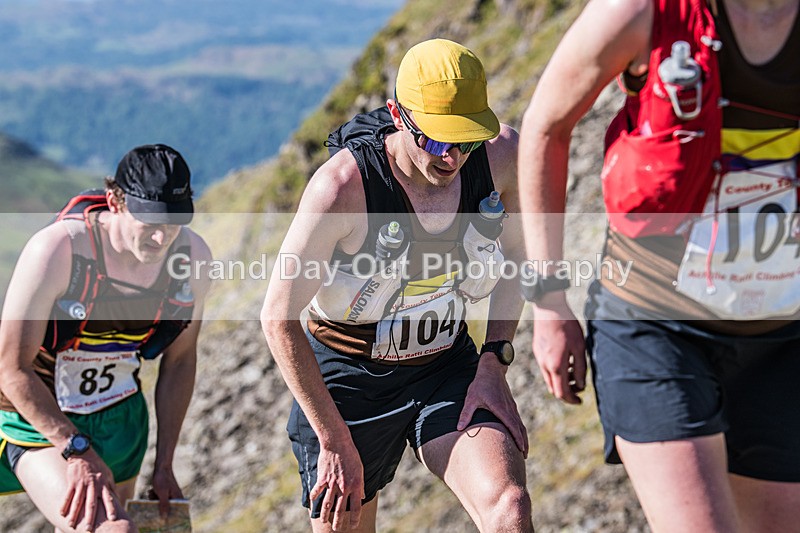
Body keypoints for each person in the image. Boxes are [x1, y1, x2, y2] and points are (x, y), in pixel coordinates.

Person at [518, 0, 799, 531]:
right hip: (653, 323)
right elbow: (545, 127)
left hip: (782, 337)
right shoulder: (644, 11)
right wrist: (550, 301)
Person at [262, 39, 533, 531]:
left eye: (465, 140)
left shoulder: (501, 158)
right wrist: (332, 439)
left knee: (509, 510)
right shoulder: (342, 189)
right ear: (397, 115)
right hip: (347, 379)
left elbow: (517, 256)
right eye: (434, 140)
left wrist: (494, 360)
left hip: (446, 362)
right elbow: (277, 317)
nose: (451, 157)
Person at [0, 144, 212, 532]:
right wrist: (75, 448)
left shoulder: (192, 259)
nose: (161, 238)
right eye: (149, 222)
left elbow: (180, 359)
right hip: (37, 419)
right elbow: (9, 368)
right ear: (115, 201)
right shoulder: (58, 249)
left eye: (174, 222)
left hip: (120, 421)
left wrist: (164, 465)